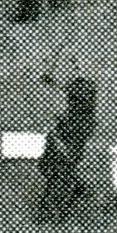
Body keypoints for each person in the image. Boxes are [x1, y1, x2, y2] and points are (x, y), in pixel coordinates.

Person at [35, 77, 97, 223]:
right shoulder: (82, 117)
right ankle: (55, 213)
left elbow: (71, 142)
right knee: (60, 182)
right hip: (60, 155)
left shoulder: (82, 119)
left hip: (63, 156)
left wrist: (58, 139)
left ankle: (49, 215)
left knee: (58, 182)